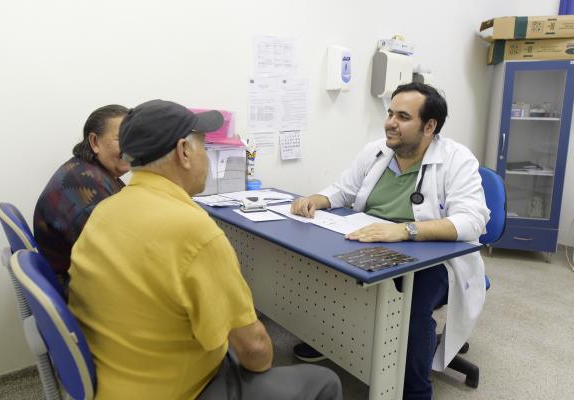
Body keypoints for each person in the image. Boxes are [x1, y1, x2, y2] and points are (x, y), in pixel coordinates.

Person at [67, 100, 342, 400]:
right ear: (184, 151)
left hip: (110, 378)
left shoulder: (104, 210)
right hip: (175, 391)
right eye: (204, 146)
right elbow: (256, 352)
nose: (207, 156)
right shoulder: (194, 230)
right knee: (323, 380)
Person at [291, 82, 489, 400]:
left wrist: (406, 230)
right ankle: (328, 340)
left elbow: (473, 220)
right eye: (390, 113)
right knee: (320, 268)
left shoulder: (457, 159)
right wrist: (316, 199)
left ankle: (415, 390)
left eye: (403, 117)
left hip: (434, 258)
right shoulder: (376, 152)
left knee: (411, 304)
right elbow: (343, 190)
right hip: (372, 242)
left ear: (429, 126)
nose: (390, 123)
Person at [33, 104, 130, 279]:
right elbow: (117, 257)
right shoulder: (86, 187)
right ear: (94, 142)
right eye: (121, 138)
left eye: (134, 138)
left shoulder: (86, 170)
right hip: (75, 287)